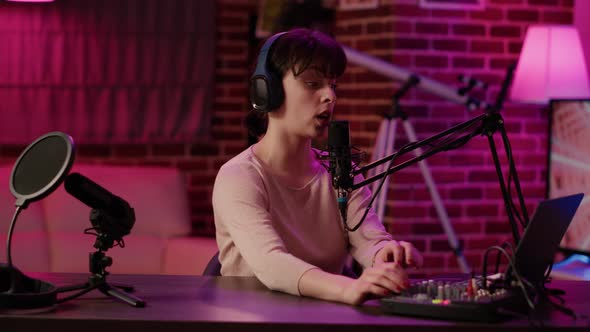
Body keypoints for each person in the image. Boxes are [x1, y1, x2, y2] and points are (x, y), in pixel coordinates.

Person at [212, 28, 423, 305]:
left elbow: (369, 239)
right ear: (268, 91)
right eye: (313, 84)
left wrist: (385, 255)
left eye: (333, 85)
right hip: (254, 319)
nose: (330, 97)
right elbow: (272, 263)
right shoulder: (239, 176)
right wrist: (348, 288)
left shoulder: (340, 171)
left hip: (325, 318)